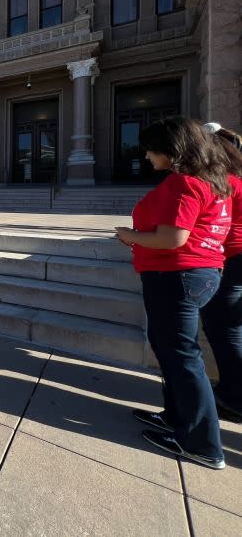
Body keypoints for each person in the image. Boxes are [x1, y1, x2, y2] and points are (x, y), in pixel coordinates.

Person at [115, 117, 233, 470]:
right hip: (202, 272)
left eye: (152, 149)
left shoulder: (183, 184)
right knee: (173, 351)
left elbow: (172, 238)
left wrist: (129, 235)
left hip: (177, 276)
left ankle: (202, 443)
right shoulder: (214, 182)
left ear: (172, 149)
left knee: (182, 357)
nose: (148, 156)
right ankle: (176, 418)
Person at [200, 123, 242, 421]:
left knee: (223, 326)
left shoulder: (223, 181)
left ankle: (234, 395)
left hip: (230, 256)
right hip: (233, 255)